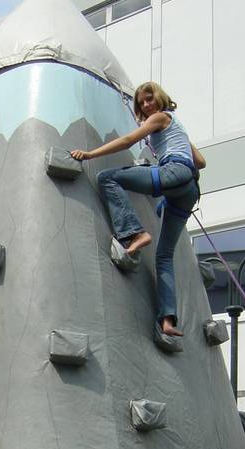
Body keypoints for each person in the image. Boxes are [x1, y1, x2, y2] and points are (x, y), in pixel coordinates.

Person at [71, 81, 206, 337]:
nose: (146, 105)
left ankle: (134, 232)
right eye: (142, 102)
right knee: (164, 256)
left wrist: (90, 154)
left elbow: (128, 139)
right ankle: (168, 320)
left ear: (159, 98)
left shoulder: (159, 118)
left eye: (149, 99)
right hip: (188, 191)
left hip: (174, 173)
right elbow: (200, 162)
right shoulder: (177, 125)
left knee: (107, 178)